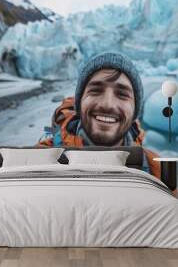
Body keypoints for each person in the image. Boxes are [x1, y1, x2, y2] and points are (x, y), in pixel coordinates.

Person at [38, 52, 163, 182]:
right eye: (96, 90)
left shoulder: (157, 171)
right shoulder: (40, 160)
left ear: (134, 112)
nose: (107, 104)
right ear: (79, 103)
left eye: (122, 94)